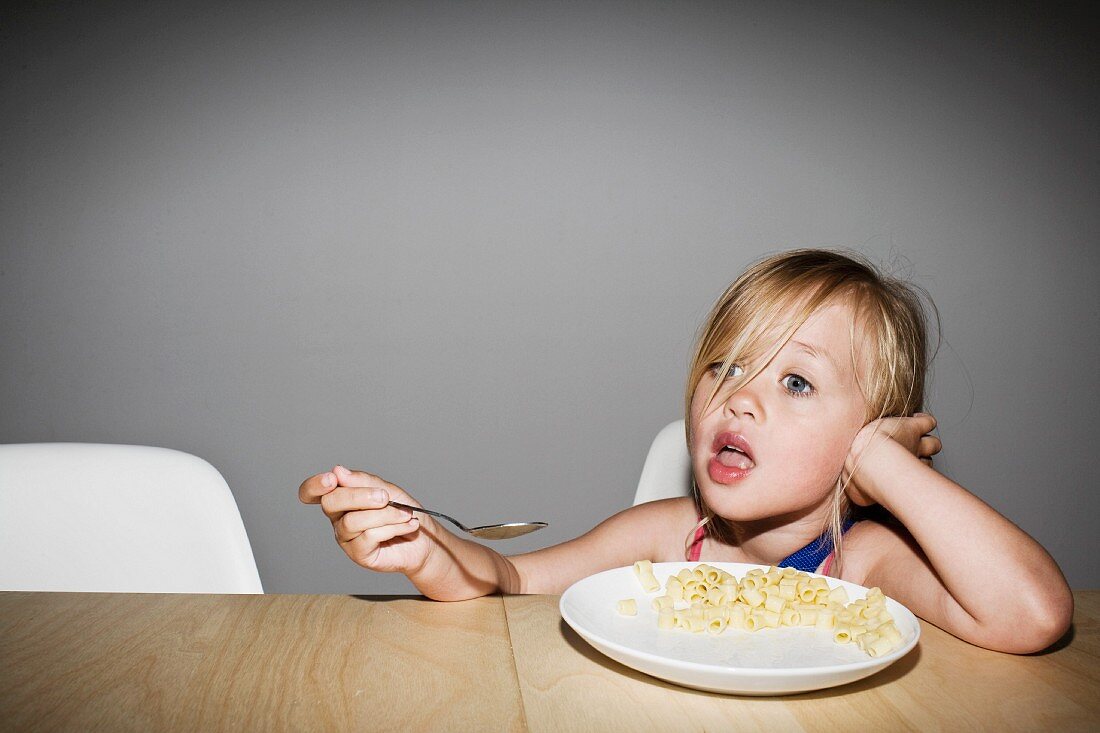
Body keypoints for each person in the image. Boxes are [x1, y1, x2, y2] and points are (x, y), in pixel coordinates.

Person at [299, 248, 1072, 654]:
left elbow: (1033, 616)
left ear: (871, 431)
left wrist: (884, 463)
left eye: (797, 381)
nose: (740, 395)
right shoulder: (672, 536)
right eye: (725, 365)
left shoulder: (864, 562)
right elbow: (507, 578)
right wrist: (421, 542)